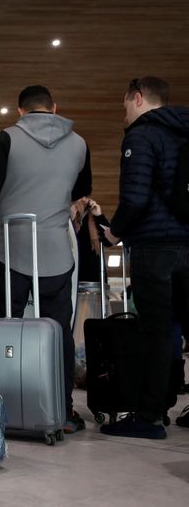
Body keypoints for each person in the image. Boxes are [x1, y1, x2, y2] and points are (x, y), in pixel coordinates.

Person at [0, 85, 92, 434]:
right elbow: (82, 191)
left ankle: (0, 410)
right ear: (54, 107)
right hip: (56, 252)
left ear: (20, 112)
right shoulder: (79, 143)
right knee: (59, 334)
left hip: (10, 250)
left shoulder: (7, 140)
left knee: (5, 330)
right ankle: (62, 411)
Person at [102, 76, 189, 439]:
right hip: (187, 243)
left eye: (125, 103)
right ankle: (171, 400)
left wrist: (115, 231)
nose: (124, 111)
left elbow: (136, 198)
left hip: (155, 246)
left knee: (155, 330)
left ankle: (150, 416)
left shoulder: (142, 135)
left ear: (138, 98)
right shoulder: (183, 132)